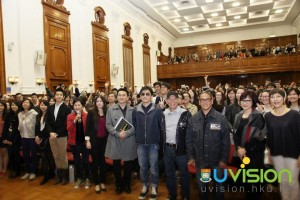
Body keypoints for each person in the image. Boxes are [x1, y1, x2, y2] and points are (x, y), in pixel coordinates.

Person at [186, 91, 230, 200]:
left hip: (217, 162)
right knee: (203, 188)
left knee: (219, 188)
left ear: (212, 100)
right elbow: (189, 140)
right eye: (202, 100)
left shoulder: (221, 119)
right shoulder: (193, 119)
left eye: (207, 99)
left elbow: (226, 141)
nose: (205, 102)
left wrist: (224, 159)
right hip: (201, 162)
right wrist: (191, 157)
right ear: (199, 102)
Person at [264, 88, 300, 200]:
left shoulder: (294, 114)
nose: (276, 99)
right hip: (276, 154)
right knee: (282, 181)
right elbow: (269, 136)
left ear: (284, 98)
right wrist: (269, 154)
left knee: (292, 181)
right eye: (273, 97)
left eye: (278, 96)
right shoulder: (268, 116)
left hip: (293, 154)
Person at [232, 91, 266, 199]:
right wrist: (238, 148)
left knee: (254, 182)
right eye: (243, 100)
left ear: (253, 101)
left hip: (254, 154)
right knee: (245, 181)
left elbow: (259, 138)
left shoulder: (258, 116)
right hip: (241, 153)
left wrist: (245, 149)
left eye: (248, 100)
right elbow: (235, 134)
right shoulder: (238, 115)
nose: (245, 103)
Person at [132, 86, 162, 200]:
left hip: (153, 143)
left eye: (147, 94)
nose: (145, 96)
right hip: (140, 143)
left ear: (151, 96)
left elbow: (160, 126)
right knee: (143, 167)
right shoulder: (135, 110)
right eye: (143, 94)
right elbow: (134, 125)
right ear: (140, 96)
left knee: (153, 167)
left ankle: (154, 187)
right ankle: (145, 186)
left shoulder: (157, 110)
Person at [105, 88, 137, 194]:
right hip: (115, 139)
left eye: (124, 95)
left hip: (129, 139)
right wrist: (117, 133)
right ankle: (118, 184)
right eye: (119, 95)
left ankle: (127, 184)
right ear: (117, 97)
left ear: (127, 97)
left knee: (128, 164)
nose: (121, 97)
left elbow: (136, 126)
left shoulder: (133, 110)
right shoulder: (111, 109)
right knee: (116, 164)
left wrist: (126, 133)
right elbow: (108, 125)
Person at [161, 91, 191, 200]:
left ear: (178, 100)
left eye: (175, 99)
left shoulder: (185, 113)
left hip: (181, 149)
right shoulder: (162, 114)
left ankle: (185, 195)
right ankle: (172, 195)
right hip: (167, 149)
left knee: (184, 174)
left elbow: (190, 134)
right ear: (167, 101)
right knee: (169, 174)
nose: (172, 101)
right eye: (170, 99)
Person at [47, 88, 71, 185]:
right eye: (57, 94)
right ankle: (59, 175)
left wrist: (56, 134)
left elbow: (66, 124)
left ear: (63, 96)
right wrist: (51, 132)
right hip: (51, 135)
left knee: (63, 156)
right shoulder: (50, 107)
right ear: (54, 96)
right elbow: (47, 122)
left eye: (61, 95)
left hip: (62, 136)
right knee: (56, 156)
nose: (59, 96)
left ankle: (65, 176)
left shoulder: (67, 108)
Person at [86, 95, 108, 193]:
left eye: (101, 101)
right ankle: (96, 183)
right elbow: (87, 128)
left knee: (103, 162)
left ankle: (103, 181)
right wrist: (87, 140)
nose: (99, 102)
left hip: (105, 141)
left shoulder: (108, 112)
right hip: (94, 141)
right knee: (95, 162)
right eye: (97, 101)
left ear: (104, 102)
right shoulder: (91, 113)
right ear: (95, 103)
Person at [67, 98, 90, 189]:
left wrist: (88, 140)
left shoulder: (87, 116)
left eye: (79, 105)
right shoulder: (70, 116)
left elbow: (89, 130)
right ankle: (80, 178)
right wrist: (74, 121)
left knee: (86, 161)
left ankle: (87, 178)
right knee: (77, 161)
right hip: (74, 142)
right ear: (73, 106)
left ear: (82, 106)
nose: (77, 107)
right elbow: (68, 129)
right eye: (75, 105)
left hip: (84, 142)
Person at [35, 100, 55, 185]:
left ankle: (47, 175)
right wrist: (36, 135)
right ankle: (51, 173)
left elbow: (48, 128)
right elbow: (37, 127)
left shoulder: (50, 115)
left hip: (47, 138)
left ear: (48, 106)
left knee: (47, 158)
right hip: (40, 138)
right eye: (41, 105)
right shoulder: (38, 115)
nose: (43, 106)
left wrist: (40, 136)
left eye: (45, 105)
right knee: (45, 157)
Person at [18, 99, 38, 180]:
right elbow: (19, 126)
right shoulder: (20, 114)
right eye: (24, 102)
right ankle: (27, 171)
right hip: (23, 137)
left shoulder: (34, 113)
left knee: (33, 155)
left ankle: (33, 172)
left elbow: (37, 126)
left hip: (32, 137)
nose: (25, 104)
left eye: (27, 102)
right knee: (25, 155)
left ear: (30, 104)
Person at [2, 101, 21, 178]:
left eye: (15, 105)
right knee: (11, 155)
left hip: (16, 139)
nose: (14, 106)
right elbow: (5, 128)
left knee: (16, 155)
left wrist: (12, 141)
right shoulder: (8, 115)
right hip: (8, 138)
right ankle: (13, 170)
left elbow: (18, 130)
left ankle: (17, 171)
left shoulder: (20, 115)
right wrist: (4, 138)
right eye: (12, 105)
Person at [0, 100, 8, 177]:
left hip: (4, 136)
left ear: (4, 107)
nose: (0, 107)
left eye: (1, 106)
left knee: (4, 152)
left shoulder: (6, 115)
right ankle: (0, 168)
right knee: (0, 153)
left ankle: (4, 169)